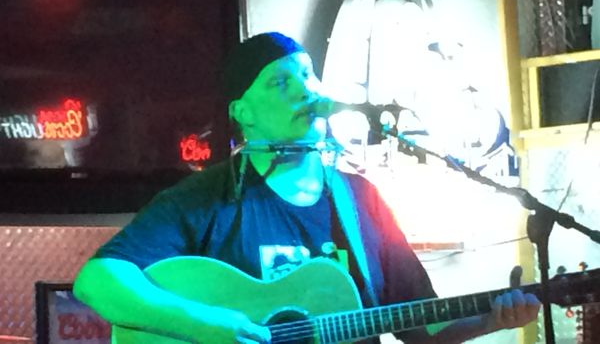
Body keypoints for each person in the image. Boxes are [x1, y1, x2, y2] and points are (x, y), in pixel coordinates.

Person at [73, 32, 540, 344]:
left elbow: (420, 323)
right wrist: (208, 324)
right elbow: (97, 281)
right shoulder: (206, 199)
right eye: (281, 81)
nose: (305, 90)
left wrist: (489, 318)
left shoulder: (360, 200)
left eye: (307, 74)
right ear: (242, 112)